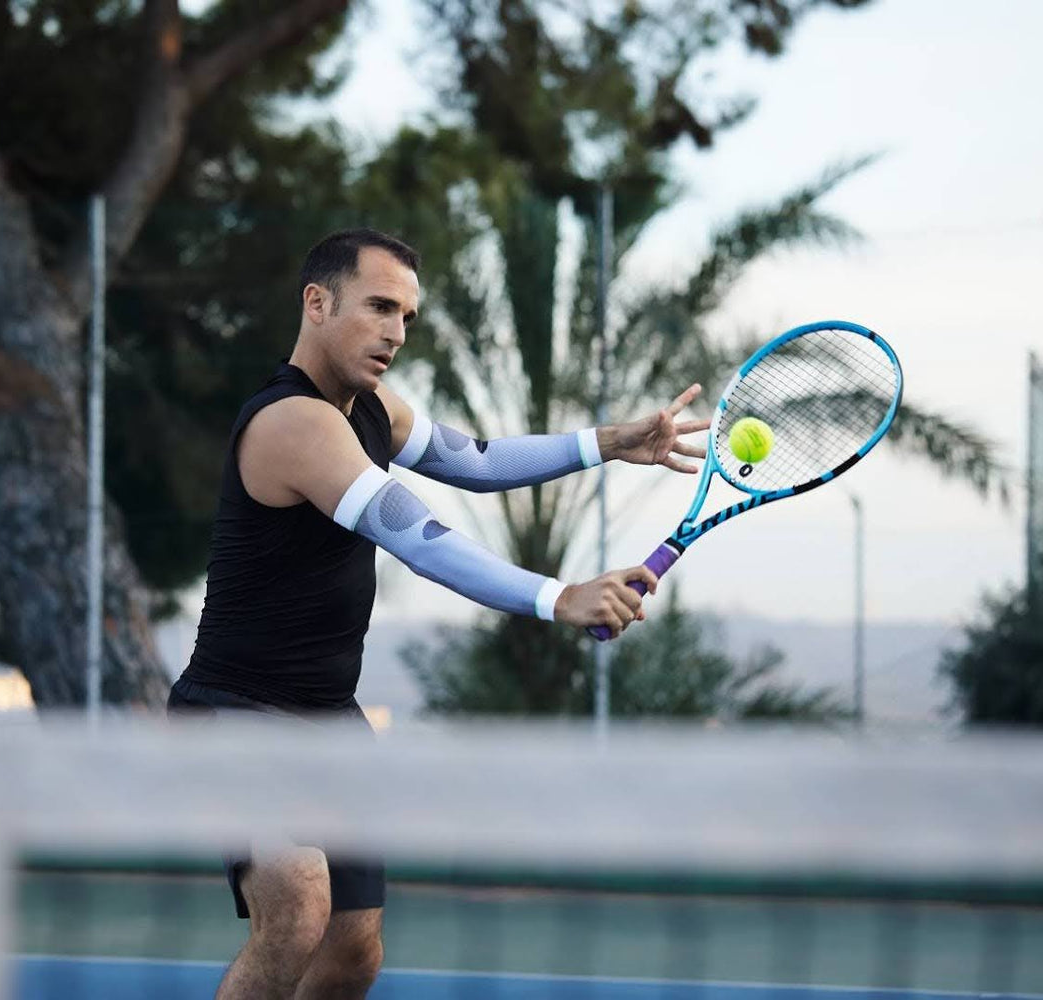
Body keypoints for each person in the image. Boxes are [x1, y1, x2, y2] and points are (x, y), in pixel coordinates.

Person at [169, 228, 709, 999]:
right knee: (296, 907)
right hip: (234, 712)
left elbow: (477, 461)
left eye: (407, 316)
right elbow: (417, 537)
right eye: (379, 307)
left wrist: (608, 443)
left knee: (354, 951)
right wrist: (559, 597)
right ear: (317, 303)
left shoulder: (373, 410)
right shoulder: (292, 422)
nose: (396, 332)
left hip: (328, 715)